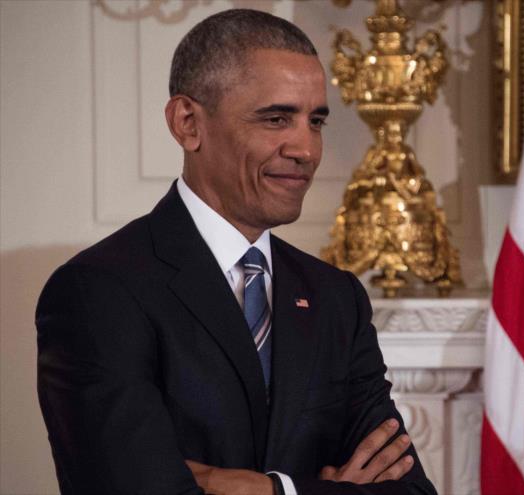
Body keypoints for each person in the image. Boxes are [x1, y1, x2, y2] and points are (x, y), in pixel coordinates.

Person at [35, 9, 436, 495]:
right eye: (276, 118)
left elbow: (410, 490)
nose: (306, 149)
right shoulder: (98, 291)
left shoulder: (336, 298)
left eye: (316, 121)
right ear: (188, 123)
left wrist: (268, 490)